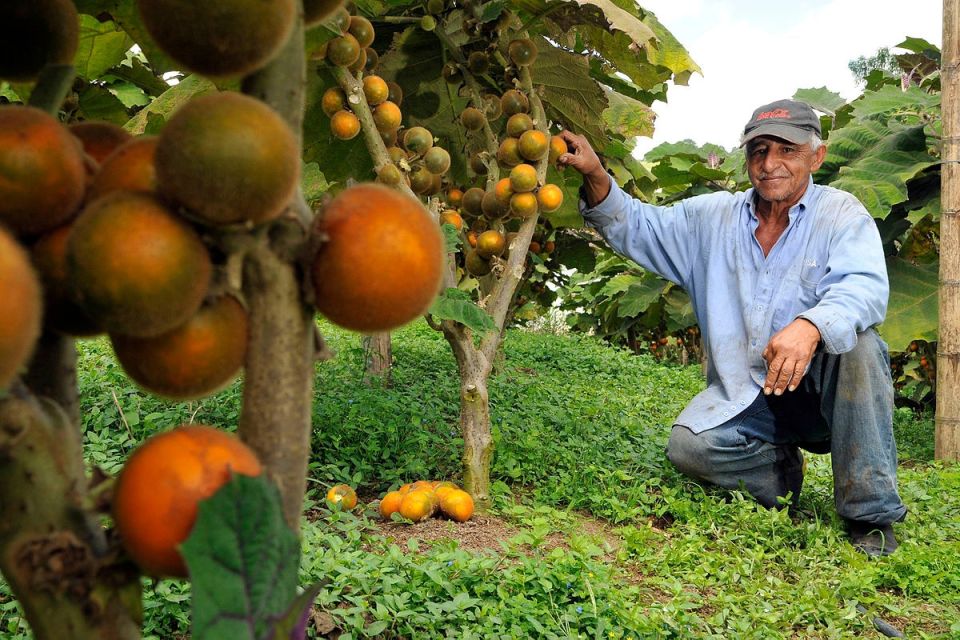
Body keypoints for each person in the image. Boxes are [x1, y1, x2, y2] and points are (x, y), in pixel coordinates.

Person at [558, 99, 907, 556]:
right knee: (689, 449)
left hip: (826, 392)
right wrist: (596, 175)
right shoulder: (712, 218)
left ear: (816, 157)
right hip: (750, 393)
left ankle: (871, 515)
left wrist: (810, 326)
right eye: (758, 151)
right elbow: (642, 226)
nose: (769, 164)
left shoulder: (841, 214)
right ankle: (778, 473)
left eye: (787, 150)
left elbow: (862, 287)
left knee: (859, 346)